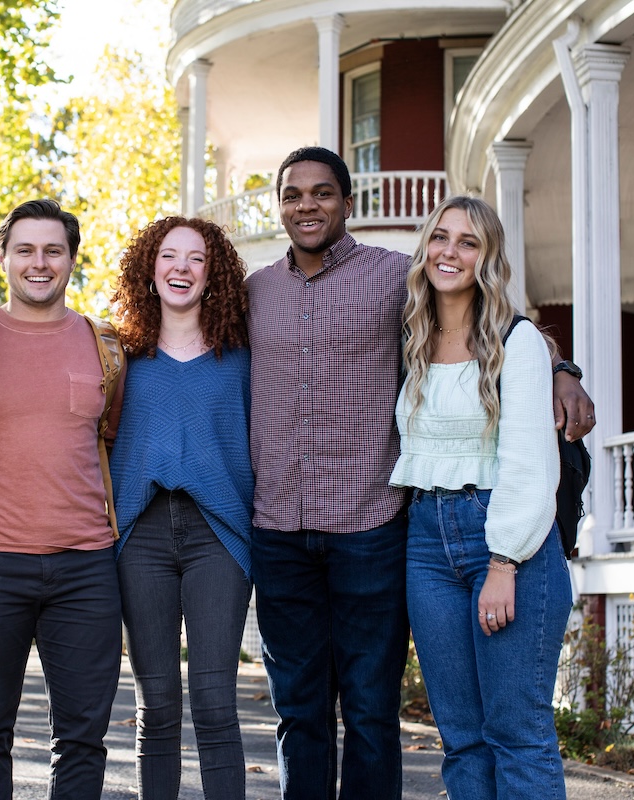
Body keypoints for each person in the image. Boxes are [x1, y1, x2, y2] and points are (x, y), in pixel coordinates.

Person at [246, 146, 594, 800]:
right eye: (293, 194)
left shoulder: (390, 277)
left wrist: (562, 370)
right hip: (336, 535)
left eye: (322, 192)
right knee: (347, 720)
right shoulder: (263, 292)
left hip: (390, 529)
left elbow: (503, 331)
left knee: (409, 718)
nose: (307, 205)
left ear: (348, 204)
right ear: (280, 205)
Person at [389, 195, 573, 798]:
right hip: (425, 543)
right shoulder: (412, 336)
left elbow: (529, 459)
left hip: (503, 538)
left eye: (468, 242)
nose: (450, 251)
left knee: (516, 733)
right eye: (441, 237)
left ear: (487, 257)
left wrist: (504, 563)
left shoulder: (515, 341)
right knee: (461, 737)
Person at [0, 199, 125, 800]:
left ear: (72, 259)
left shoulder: (105, 346)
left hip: (87, 567)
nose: (39, 262)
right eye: (24, 249)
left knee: (82, 738)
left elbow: (109, 438)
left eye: (53, 250)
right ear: (2, 258)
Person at [109, 217, 253, 799]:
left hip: (217, 535)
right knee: (157, 705)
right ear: (150, 268)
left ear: (212, 272)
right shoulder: (119, 356)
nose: (181, 268)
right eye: (169, 256)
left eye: (196, 258)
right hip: (139, 536)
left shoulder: (242, 356)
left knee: (216, 703)